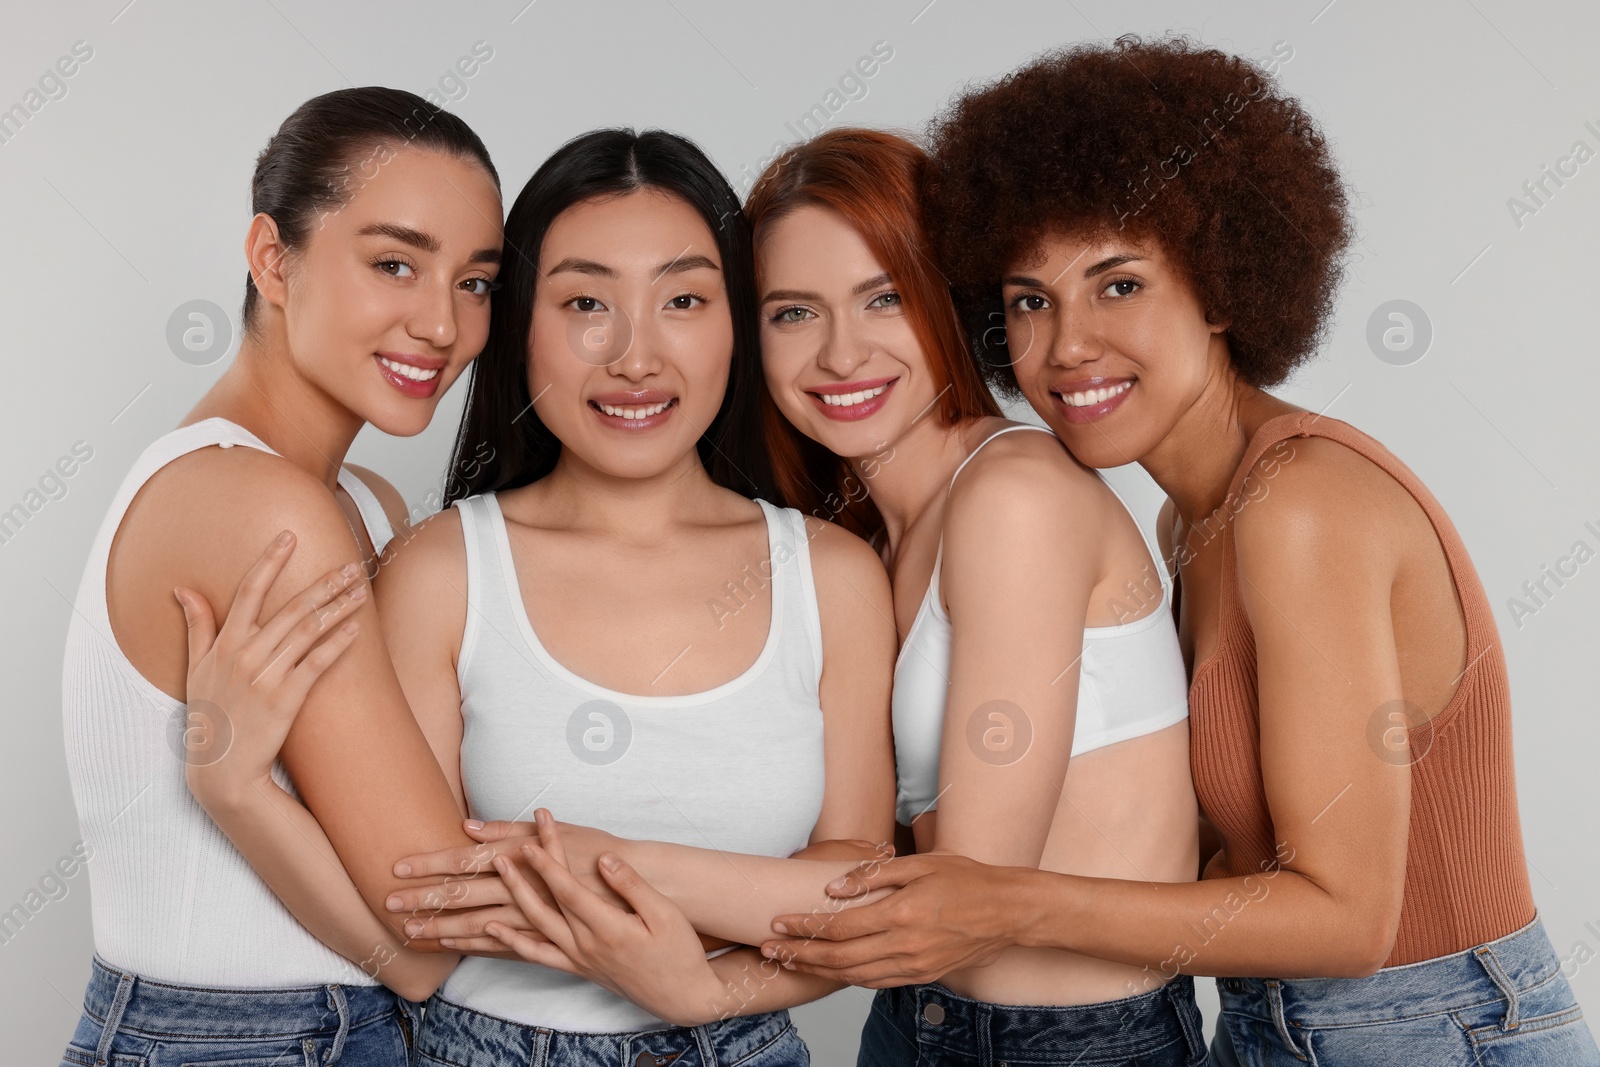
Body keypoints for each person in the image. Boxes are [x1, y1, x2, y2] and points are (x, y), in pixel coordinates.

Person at [759, 37, 1600, 1066]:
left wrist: (1007, 900)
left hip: (1426, 1028)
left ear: (1220, 285)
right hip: (1267, 1025)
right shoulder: (1187, 523)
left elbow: (1345, 924)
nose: (1066, 344)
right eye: (1029, 299)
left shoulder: (1302, 505)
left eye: (1118, 285)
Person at [396, 127, 1208, 1067]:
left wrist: (586, 861)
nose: (841, 353)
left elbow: (951, 894)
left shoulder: (1012, 496)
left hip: (1074, 1042)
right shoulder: (868, 535)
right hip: (924, 1026)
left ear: (946, 302)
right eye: (792, 312)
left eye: (884, 299)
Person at [59, 87, 509, 1065]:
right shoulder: (258, 505)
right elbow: (430, 923)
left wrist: (243, 791)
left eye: (474, 281)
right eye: (394, 263)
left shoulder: (366, 500)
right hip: (247, 1039)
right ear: (273, 258)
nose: (441, 324)